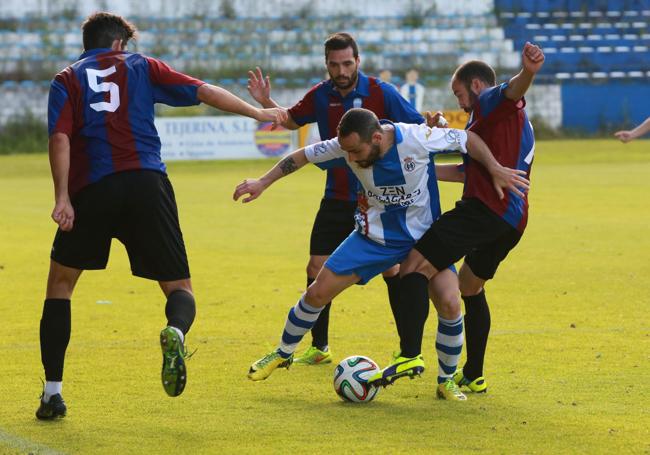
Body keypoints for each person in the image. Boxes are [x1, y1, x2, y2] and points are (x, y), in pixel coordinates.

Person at [37, 11, 287, 420]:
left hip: (92, 189)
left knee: (60, 285)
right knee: (178, 287)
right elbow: (204, 91)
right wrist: (258, 114)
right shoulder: (141, 65)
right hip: (146, 184)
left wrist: (62, 197)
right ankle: (176, 330)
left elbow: (59, 136)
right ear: (120, 44)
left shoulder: (66, 78)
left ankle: (52, 394)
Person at [234, 108, 530, 400]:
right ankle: (283, 353)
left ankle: (446, 381)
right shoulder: (346, 145)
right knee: (316, 294)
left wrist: (494, 168)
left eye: (355, 151)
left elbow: (469, 139)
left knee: (451, 304)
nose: (349, 158)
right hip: (372, 239)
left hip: (423, 241)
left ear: (377, 137)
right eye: (346, 151)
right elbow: (300, 156)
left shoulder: (417, 138)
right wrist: (262, 181)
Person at [246, 33, 424, 366]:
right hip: (337, 194)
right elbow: (290, 120)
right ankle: (320, 347)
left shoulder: (380, 92)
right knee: (316, 267)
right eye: (333, 64)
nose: (341, 70)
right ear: (326, 64)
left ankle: (407, 350)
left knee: (393, 269)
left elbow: (417, 130)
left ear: (358, 61)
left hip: (380, 200)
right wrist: (265, 103)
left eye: (346, 63)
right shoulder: (321, 94)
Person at [389, 42, 544, 395]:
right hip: (512, 221)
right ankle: (473, 373)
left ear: (475, 85)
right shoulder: (498, 123)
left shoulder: (490, 100)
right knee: (471, 287)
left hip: (485, 210)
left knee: (413, 266)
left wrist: (528, 73)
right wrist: (420, 167)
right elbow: (465, 171)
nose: (459, 102)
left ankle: (409, 354)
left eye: (459, 93)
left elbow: (513, 91)